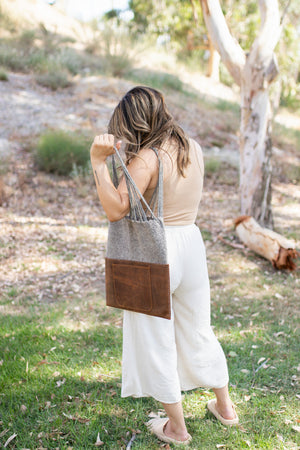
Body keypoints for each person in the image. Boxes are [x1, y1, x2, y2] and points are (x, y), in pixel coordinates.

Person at [90, 86, 238, 445]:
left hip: (158, 250)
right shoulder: (192, 149)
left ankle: (177, 428)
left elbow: (115, 210)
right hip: (191, 243)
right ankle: (225, 407)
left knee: (155, 340)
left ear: (136, 121)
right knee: (198, 328)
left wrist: (97, 162)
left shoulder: (149, 159)